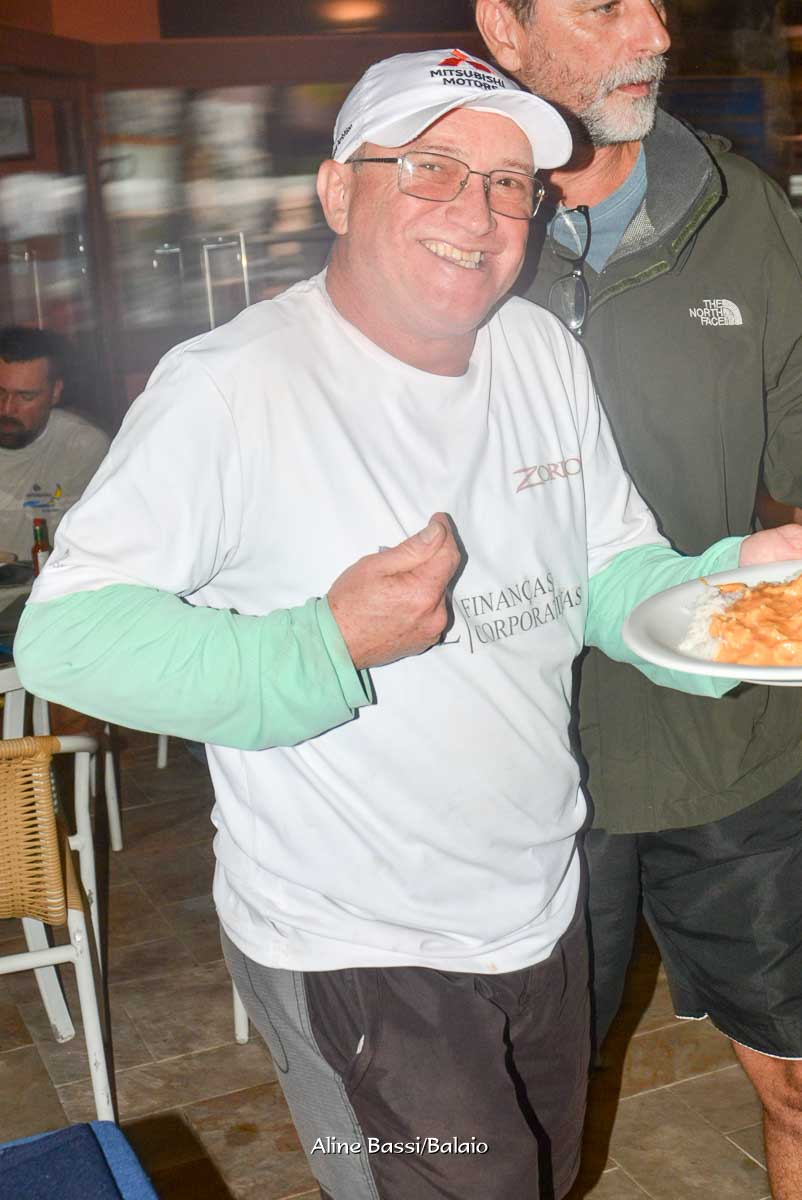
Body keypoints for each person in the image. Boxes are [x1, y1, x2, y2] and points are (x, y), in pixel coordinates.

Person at [14, 49, 802, 1200]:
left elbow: (606, 568)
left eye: (507, 183)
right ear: (339, 191)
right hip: (357, 949)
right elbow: (66, 638)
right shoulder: (232, 385)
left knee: (542, 1177)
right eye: (429, 169)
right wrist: (325, 643)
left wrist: (738, 583)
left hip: (538, 903)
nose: (475, 214)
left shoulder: (538, 351)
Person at [474, 2, 802, 1195]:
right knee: (518, 1129)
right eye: (605, 1)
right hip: (516, 766)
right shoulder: (443, 223)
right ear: (502, 26)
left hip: (731, 741)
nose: (655, 29)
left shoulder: (741, 211)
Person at [0, 326, 110, 561]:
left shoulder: (81, 447)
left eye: (26, 396)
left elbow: (93, 548)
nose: (7, 408)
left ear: (55, 392)